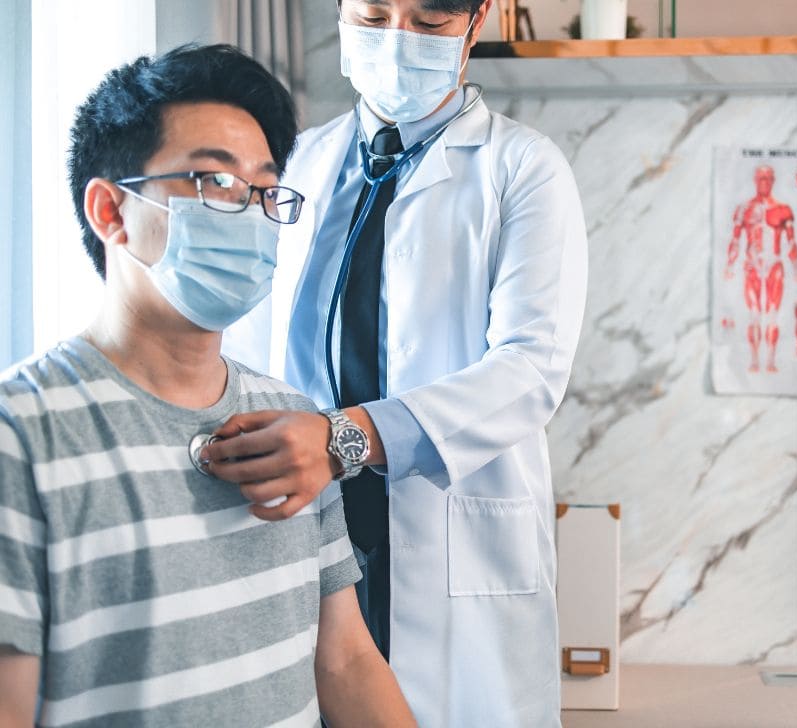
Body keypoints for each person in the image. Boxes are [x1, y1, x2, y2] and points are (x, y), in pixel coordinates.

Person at [0, 44, 415, 728]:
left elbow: (343, 660)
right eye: (213, 182)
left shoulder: (291, 423)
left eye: (263, 190)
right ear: (111, 212)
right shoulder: (24, 430)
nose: (249, 214)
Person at [210, 0, 589, 725]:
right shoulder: (300, 164)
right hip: (308, 526)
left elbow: (531, 369)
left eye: (428, 23)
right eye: (374, 16)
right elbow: (248, 344)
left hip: (449, 538)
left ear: (474, 27)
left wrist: (342, 437)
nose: (395, 43)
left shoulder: (522, 168)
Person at [724, 165, 797, 373]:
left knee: (771, 315)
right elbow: (735, 240)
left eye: (768, 178)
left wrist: (796, 269)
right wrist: (729, 265)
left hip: (774, 266)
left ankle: (769, 360)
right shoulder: (744, 209)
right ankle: (753, 360)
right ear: (754, 180)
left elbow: (791, 242)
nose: (765, 182)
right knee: (754, 315)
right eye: (761, 178)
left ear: (773, 181)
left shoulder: (783, 210)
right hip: (752, 266)